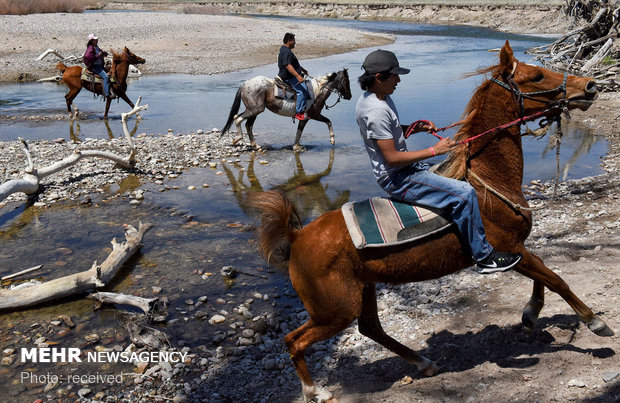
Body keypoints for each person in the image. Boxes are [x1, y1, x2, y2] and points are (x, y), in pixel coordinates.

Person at [355, 49, 522, 274]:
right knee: (464, 194)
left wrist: (414, 127)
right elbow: (392, 158)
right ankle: (484, 258)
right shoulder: (376, 111)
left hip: (403, 169)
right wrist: (434, 150)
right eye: (394, 75)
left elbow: (389, 133)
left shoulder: (376, 98)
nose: (398, 80)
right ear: (379, 78)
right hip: (398, 177)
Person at [277, 32, 309, 121]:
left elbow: (292, 63)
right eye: (294, 41)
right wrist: (298, 76)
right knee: (302, 90)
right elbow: (288, 65)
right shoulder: (286, 51)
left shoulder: (284, 49)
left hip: (289, 75)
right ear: (289, 41)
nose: (295, 43)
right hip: (288, 77)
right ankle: (299, 112)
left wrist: (302, 69)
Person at [83, 33, 114, 99]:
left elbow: (100, 53)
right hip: (95, 67)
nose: (97, 40)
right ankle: (107, 94)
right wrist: (98, 55)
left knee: (112, 74)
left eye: (97, 39)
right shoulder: (90, 48)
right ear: (91, 41)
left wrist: (103, 53)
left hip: (100, 66)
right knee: (105, 77)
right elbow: (87, 56)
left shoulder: (96, 47)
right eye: (95, 39)